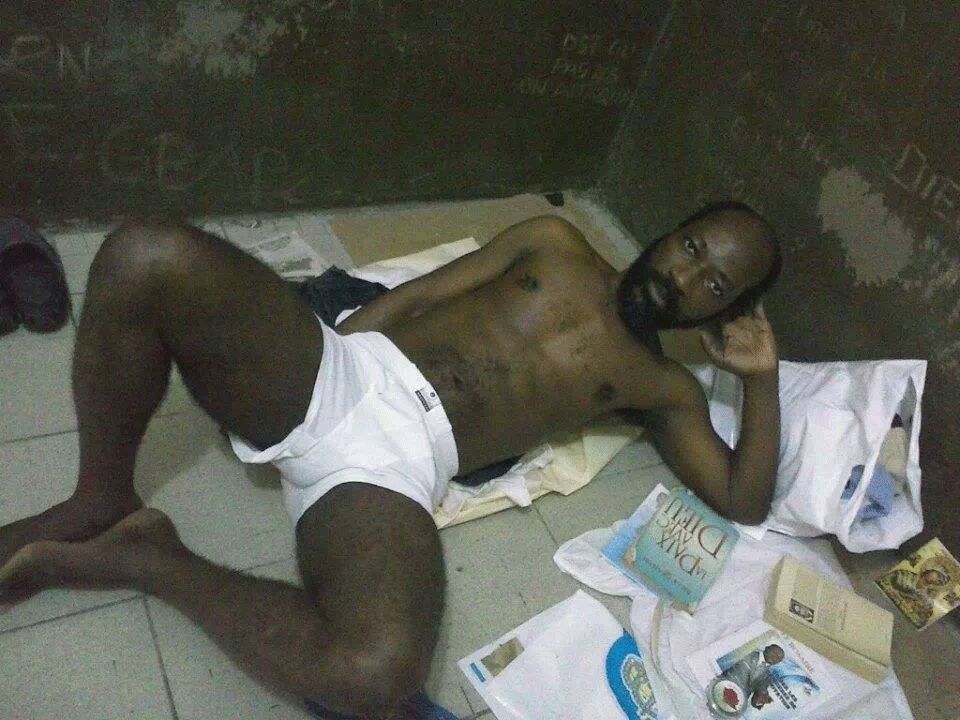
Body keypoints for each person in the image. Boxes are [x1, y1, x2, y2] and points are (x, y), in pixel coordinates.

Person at [0, 201, 782, 718]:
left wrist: (762, 380)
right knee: (145, 253)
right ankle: (100, 498)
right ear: (671, 232)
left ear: (724, 308)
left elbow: (742, 498)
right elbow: (419, 296)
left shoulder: (663, 386)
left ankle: (150, 559)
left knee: (378, 672)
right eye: (690, 248)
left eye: (711, 282)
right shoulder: (554, 241)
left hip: (396, 467)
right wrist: (316, 356)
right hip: (348, 372)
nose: (682, 276)